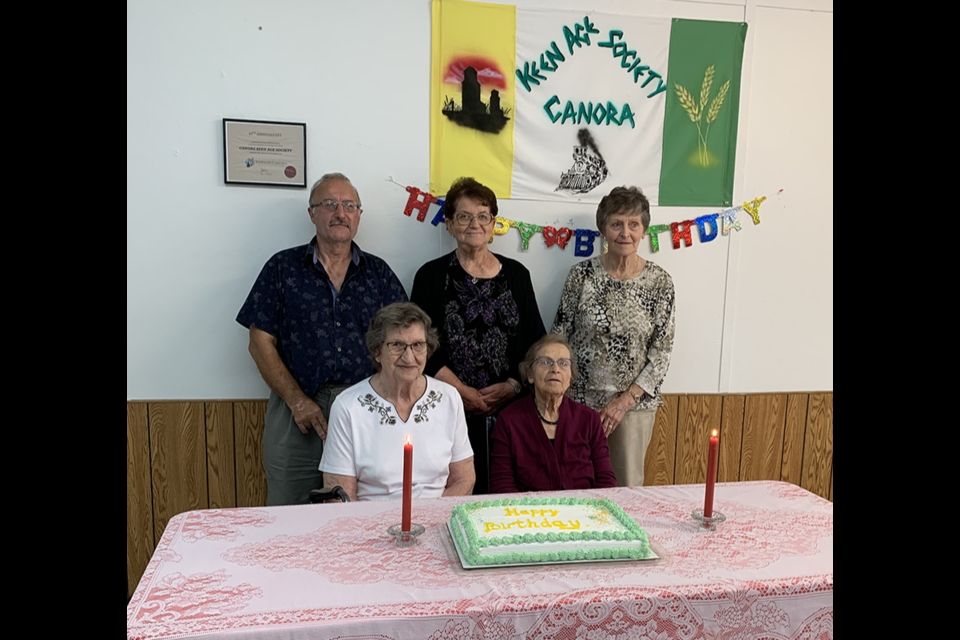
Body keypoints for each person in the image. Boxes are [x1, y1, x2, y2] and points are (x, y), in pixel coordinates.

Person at [236, 172, 408, 505]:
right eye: (330, 204)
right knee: (290, 510)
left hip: (367, 411)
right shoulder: (282, 268)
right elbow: (259, 343)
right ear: (312, 213)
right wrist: (296, 400)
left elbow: (403, 343)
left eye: (349, 205)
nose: (340, 213)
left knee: (364, 512)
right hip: (295, 409)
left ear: (359, 215)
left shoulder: (380, 273)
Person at [410, 176, 545, 495]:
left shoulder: (517, 275)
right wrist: (459, 391)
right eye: (464, 216)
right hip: (445, 406)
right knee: (453, 495)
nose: (475, 223)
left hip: (510, 411)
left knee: (504, 495)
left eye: (483, 215)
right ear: (449, 224)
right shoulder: (430, 275)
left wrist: (513, 385)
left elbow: (536, 342)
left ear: (494, 224)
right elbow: (418, 344)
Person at [551, 186, 676, 487]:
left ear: (643, 230)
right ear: (603, 229)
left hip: (632, 409)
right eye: (616, 223)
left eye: (633, 224)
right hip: (577, 403)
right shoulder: (580, 275)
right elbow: (558, 337)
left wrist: (623, 403)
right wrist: (556, 394)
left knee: (625, 489)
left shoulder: (660, 282)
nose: (625, 232)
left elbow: (662, 353)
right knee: (572, 485)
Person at [319, 302, 475, 501]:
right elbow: (340, 496)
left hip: (436, 520)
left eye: (418, 345)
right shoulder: (348, 407)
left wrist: (427, 520)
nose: (409, 357)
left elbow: (464, 479)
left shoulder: (449, 398)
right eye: (397, 345)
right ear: (377, 351)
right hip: (372, 526)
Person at [489, 334, 616, 493]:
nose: (555, 369)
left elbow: (606, 480)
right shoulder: (509, 420)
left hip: (583, 511)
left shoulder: (590, 419)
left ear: (570, 377)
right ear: (530, 375)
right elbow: (501, 485)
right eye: (545, 362)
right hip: (528, 513)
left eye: (563, 364)